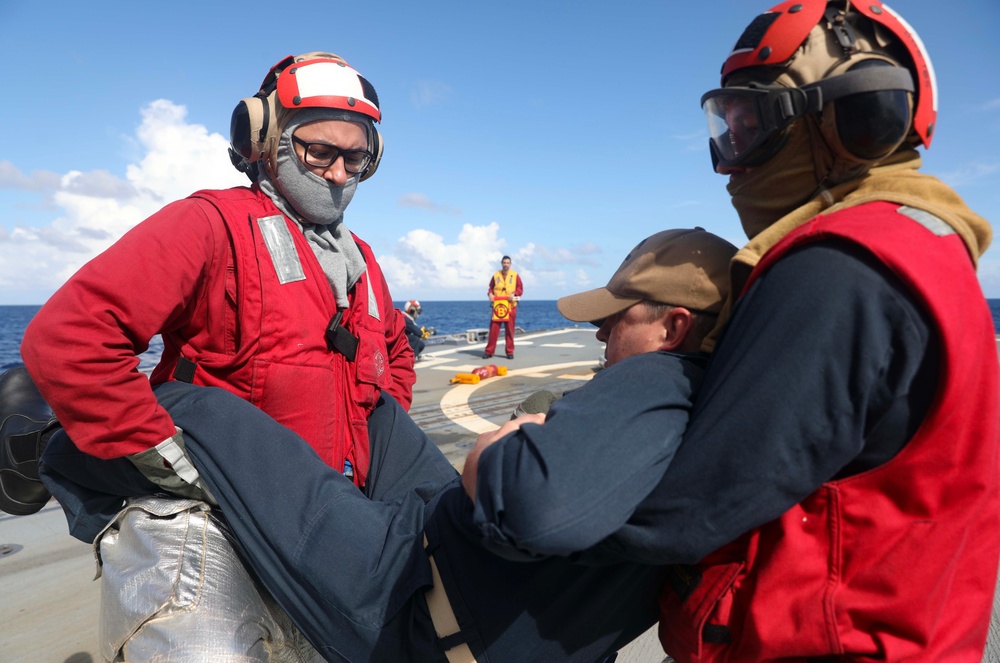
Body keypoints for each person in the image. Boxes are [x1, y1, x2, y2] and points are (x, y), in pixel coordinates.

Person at [1, 228, 738, 662]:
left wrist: (512, 444)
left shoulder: (660, 381)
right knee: (378, 413)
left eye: (617, 319)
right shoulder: (723, 408)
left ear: (674, 328)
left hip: (400, 591)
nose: (600, 331)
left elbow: (540, 504)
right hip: (456, 558)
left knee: (197, 409)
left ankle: (33, 450)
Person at [5, 52, 426, 662]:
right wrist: (170, 462)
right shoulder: (208, 225)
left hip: (323, 522)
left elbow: (394, 354)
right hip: (213, 520)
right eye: (318, 151)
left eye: (354, 157)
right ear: (266, 140)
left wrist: (373, 448)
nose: (338, 173)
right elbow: (70, 337)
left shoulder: (360, 264)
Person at [624, 2, 997, 660]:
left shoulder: (837, 268)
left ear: (859, 116)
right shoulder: (922, 245)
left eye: (753, 126)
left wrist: (527, 481)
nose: (732, 161)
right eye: (726, 127)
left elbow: (690, 508)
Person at [483, 255, 523, 360]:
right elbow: (490, 288)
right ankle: (489, 351)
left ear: (510, 264)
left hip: (510, 306)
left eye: (507, 263)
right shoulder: (496, 275)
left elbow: (520, 288)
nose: (506, 265)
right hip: (497, 307)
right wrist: (490, 294)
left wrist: (514, 294)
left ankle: (509, 352)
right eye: (504, 263)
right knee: (493, 330)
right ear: (501, 263)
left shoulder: (515, 275)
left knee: (509, 330)